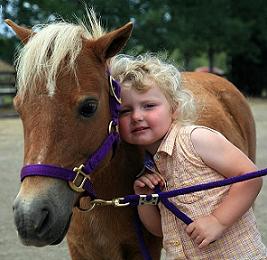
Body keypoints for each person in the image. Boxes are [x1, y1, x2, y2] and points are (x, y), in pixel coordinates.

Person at [110, 53, 267, 259]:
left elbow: (251, 178)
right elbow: (161, 230)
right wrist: (144, 199)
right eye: (125, 111)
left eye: (149, 106)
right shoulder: (150, 168)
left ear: (174, 109)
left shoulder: (196, 139)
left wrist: (218, 220)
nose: (137, 116)